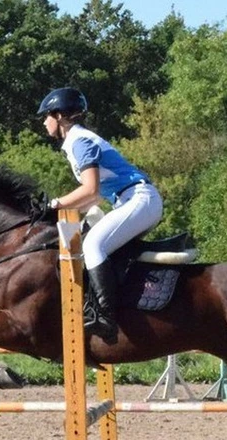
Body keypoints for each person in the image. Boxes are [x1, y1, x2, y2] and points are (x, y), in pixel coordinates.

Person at [37, 87, 163, 343]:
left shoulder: (79, 142)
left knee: (93, 244)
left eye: (46, 115)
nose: (44, 121)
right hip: (130, 200)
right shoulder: (78, 141)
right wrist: (58, 211)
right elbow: (92, 197)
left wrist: (54, 204)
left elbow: (90, 190)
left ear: (59, 115)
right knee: (94, 241)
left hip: (139, 199)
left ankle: (105, 318)